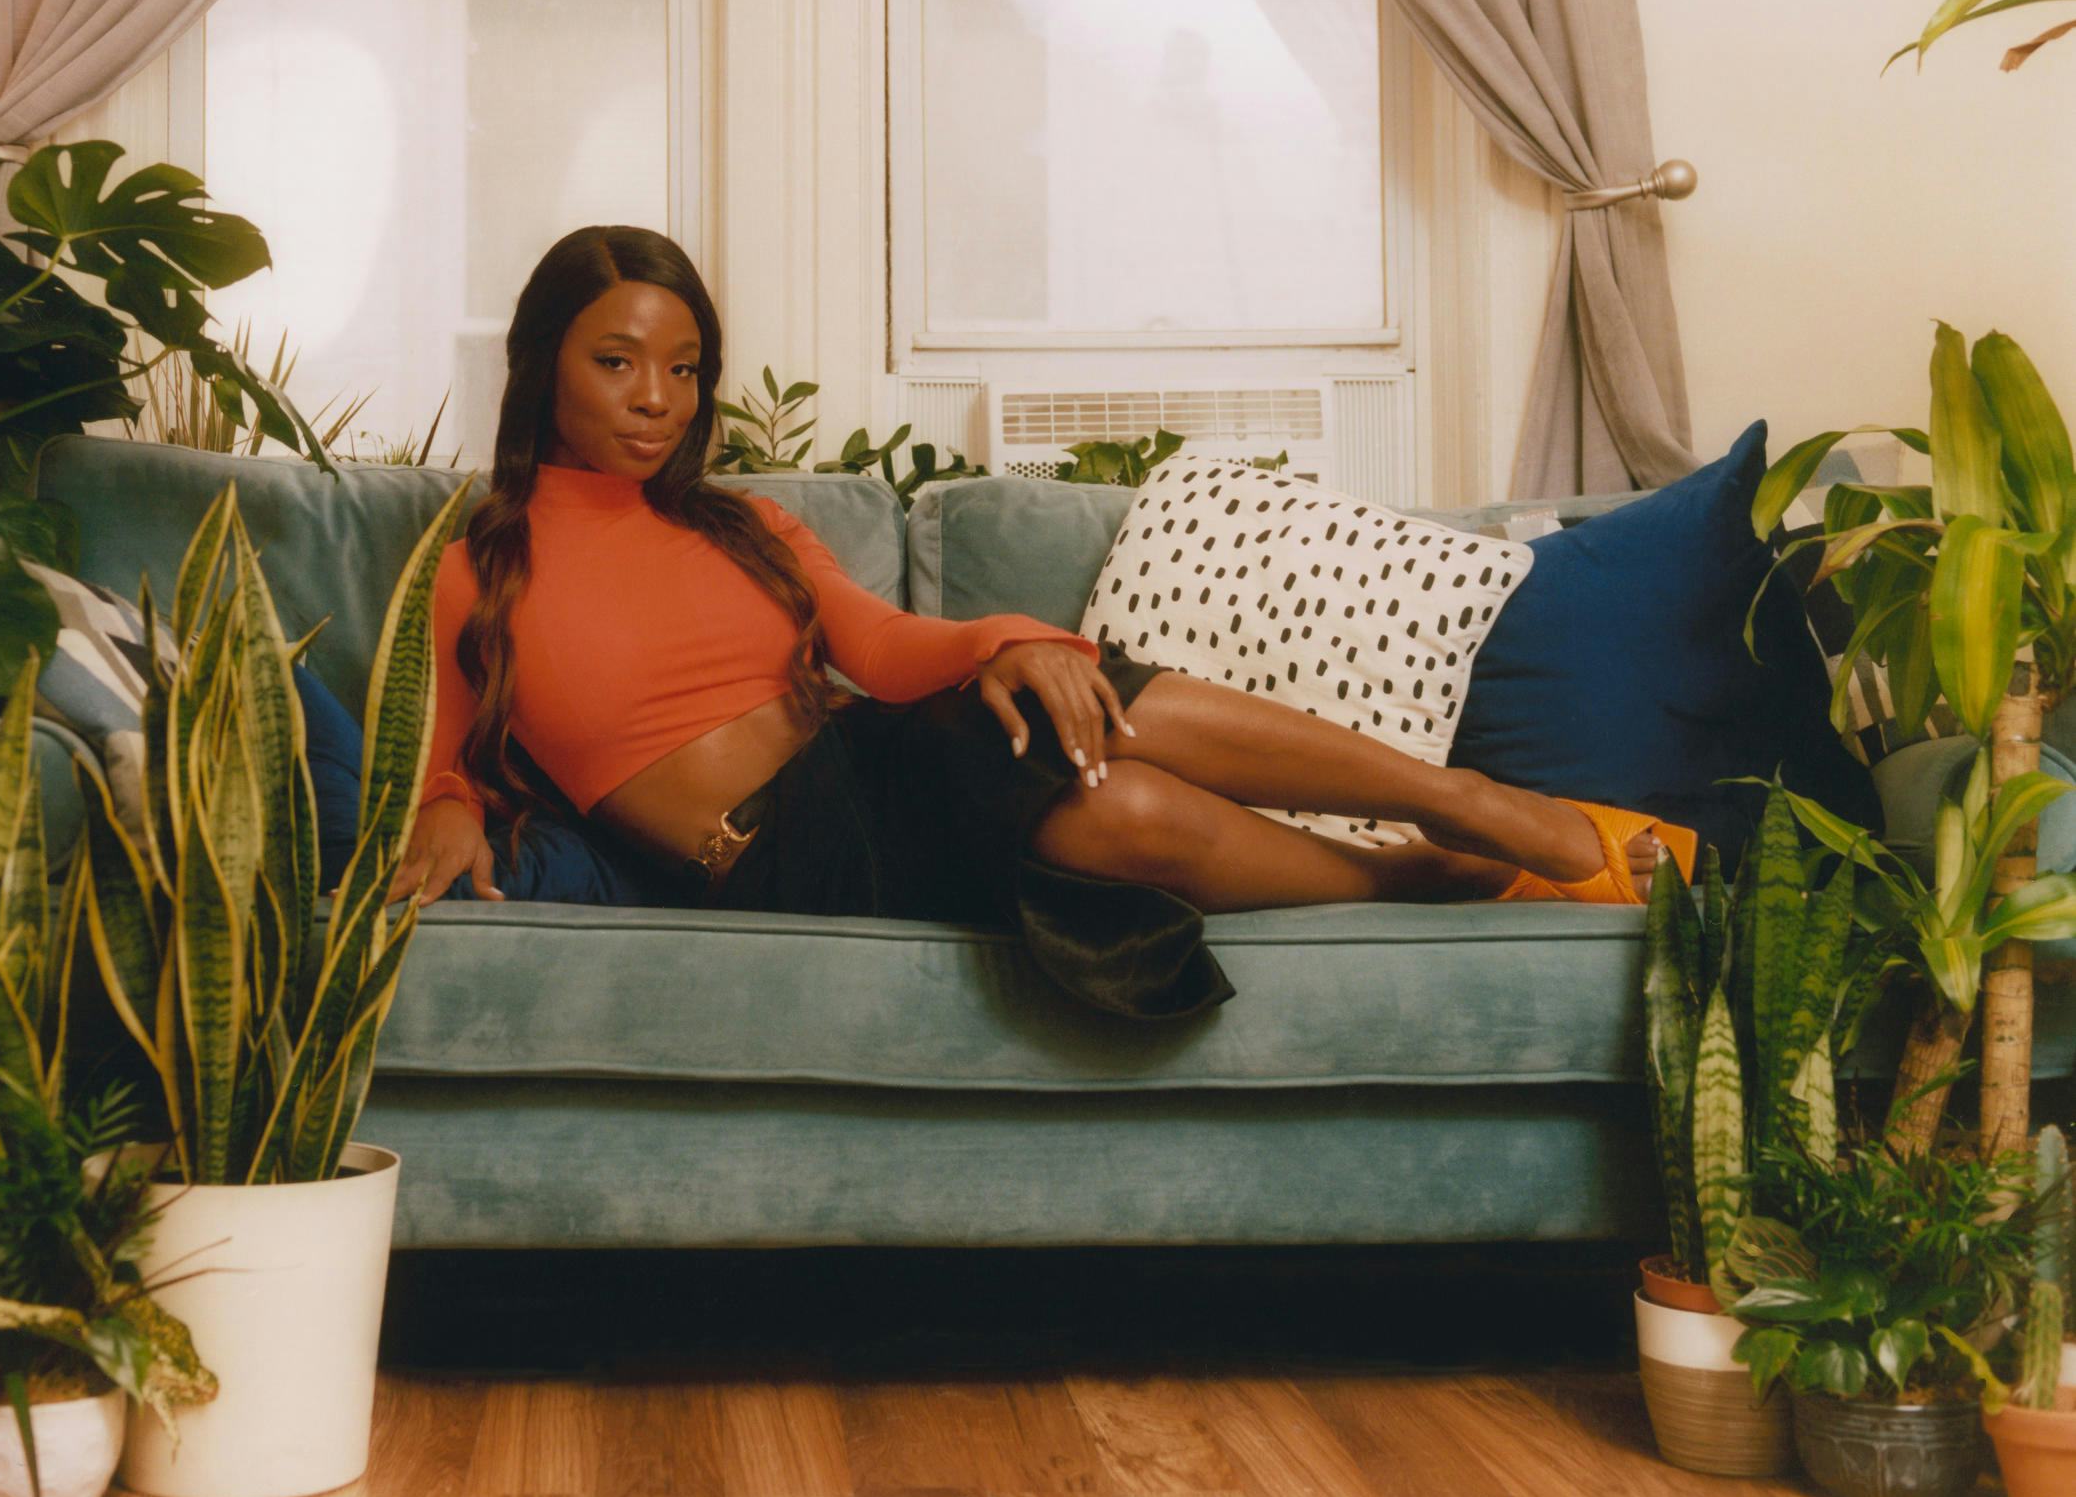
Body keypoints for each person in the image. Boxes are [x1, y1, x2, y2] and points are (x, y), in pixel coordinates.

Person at [388, 225, 1688, 1020]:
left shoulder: (744, 524)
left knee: (1117, 797)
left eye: (684, 369)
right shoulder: (478, 567)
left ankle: (1462, 809)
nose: (656, 399)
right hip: (777, 859)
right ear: (544, 363)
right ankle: (1423, 868)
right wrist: (449, 805)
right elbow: (442, 755)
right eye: (616, 361)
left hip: (872, 762)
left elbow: (880, 646)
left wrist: (1009, 639)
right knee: (1086, 780)